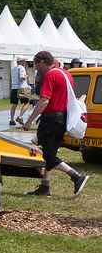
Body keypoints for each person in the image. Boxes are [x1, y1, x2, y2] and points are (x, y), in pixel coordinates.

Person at [21, 51, 90, 198]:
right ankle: (45, 187)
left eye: (36, 65)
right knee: (50, 152)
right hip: (61, 118)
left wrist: (29, 120)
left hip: (51, 119)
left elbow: (45, 100)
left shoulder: (50, 75)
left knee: (49, 155)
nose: (36, 70)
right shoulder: (65, 73)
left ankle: (77, 176)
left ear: (42, 62)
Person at [9, 59, 31, 125]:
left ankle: (12, 119)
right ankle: (20, 116)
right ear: (22, 62)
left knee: (14, 105)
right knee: (26, 103)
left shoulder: (14, 69)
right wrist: (27, 75)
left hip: (14, 87)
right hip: (21, 87)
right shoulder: (21, 68)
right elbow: (21, 78)